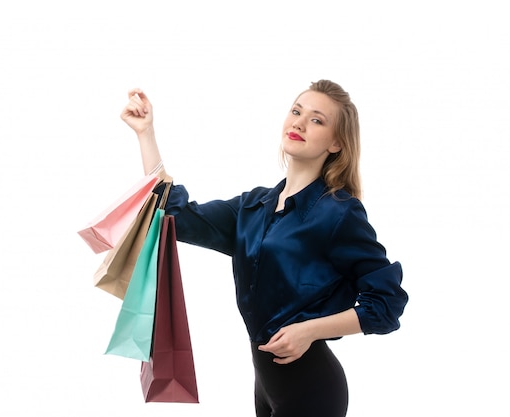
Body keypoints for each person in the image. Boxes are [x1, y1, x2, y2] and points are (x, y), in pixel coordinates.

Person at [119, 80, 408, 417]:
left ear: (336, 143)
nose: (299, 122)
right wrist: (145, 134)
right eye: (296, 111)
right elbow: (177, 217)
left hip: (312, 390)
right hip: (266, 387)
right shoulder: (252, 207)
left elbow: (387, 304)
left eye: (316, 120)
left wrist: (309, 330)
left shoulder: (339, 213)